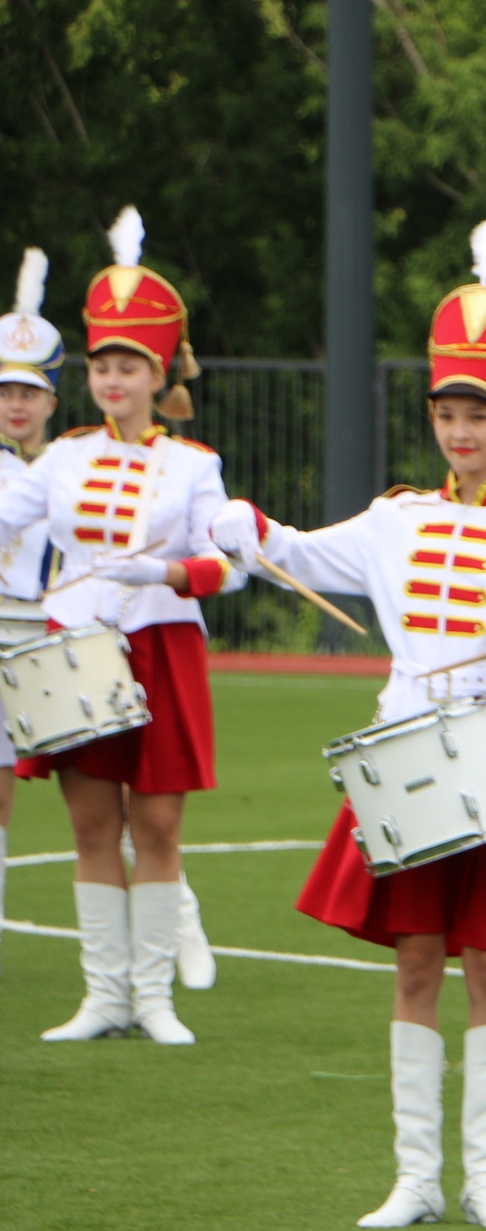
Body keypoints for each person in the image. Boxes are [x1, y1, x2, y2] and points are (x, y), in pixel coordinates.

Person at [221, 222, 486, 1229]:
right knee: (417, 957)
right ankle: (415, 1177)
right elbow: (298, 553)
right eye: (448, 413)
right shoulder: (395, 520)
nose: (461, 432)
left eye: (480, 415)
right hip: (407, 748)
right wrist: (246, 529)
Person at [1, 209, 243, 1046]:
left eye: (128, 366)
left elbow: (227, 567)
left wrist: (168, 573)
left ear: (157, 374)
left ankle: (153, 998)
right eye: (102, 365)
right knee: (92, 825)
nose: (112, 380)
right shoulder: (63, 456)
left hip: (162, 645)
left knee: (159, 827)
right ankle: (103, 996)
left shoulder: (194, 464)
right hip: (75, 650)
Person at [0, 248, 67, 960]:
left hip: (53, 637)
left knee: (105, 792)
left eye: (29, 392)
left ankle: (177, 916)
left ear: (51, 399)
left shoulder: (73, 463)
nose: (15, 405)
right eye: (4, 391)